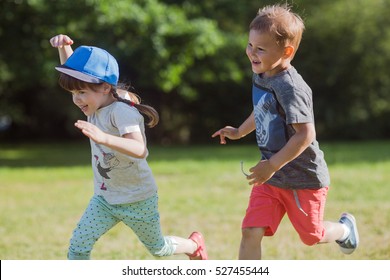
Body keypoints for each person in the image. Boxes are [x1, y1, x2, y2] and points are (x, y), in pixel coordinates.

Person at [212, 4, 358, 259]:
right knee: (250, 232)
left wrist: (273, 164)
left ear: (286, 51)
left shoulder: (291, 87)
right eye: (250, 45)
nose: (251, 53)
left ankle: (344, 230)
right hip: (272, 178)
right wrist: (239, 131)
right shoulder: (263, 73)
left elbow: (305, 135)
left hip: (303, 178)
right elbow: (264, 109)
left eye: (260, 48)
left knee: (312, 236)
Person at [49, 34, 208, 260]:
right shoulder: (94, 106)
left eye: (81, 92)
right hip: (105, 199)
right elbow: (79, 78)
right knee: (78, 247)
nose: (76, 99)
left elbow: (139, 149)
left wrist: (104, 138)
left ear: (105, 87)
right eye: (73, 93)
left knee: (158, 249)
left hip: (137, 199)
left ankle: (194, 246)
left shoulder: (121, 111)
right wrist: (65, 48)